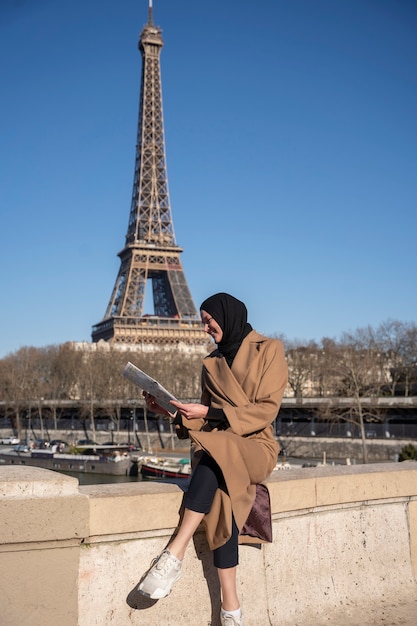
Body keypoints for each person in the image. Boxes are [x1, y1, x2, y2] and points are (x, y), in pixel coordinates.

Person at [138, 292, 288, 626]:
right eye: (203, 321)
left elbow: (266, 409)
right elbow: (206, 421)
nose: (206, 327)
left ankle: (175, 551)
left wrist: (212, 411)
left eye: (209, 320)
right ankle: (231, 608)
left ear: (228, 314)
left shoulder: (270, 349)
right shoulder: (211, 363)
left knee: (216, 450)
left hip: (256, 447)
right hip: (222, 450)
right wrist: (170, 411)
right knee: (221, 498)